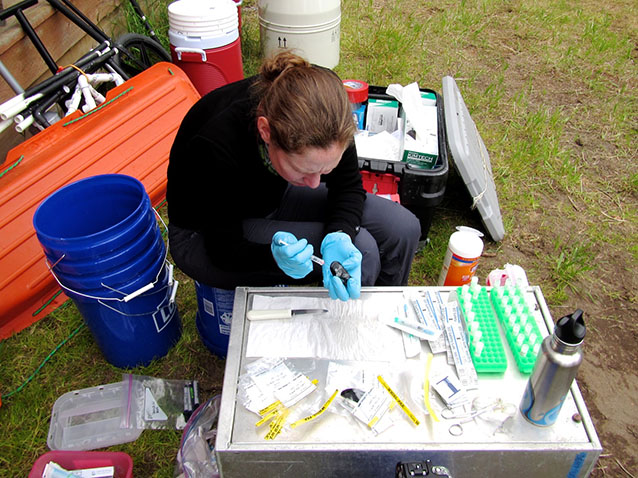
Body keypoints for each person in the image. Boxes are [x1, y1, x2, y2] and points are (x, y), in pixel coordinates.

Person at [167, 51, 421, 301]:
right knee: (364, 250)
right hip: (207, 237)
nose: (313, 184)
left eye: (324, 171)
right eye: (305, 171)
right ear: (265, 132)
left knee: (402, 227)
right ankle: (346, 328)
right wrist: (275, 259)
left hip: (270, 194)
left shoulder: (327, 110)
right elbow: (224, 250)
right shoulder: (216, 144)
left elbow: (347, 187)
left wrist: (339, 233)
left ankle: (385, 311)